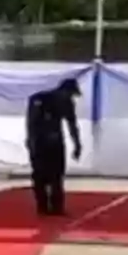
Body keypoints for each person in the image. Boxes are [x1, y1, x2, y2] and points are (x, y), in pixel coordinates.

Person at [26, 78, 83, 217]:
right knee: (40, 176)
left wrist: (77, 144)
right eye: (70, 94)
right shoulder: (40, 99)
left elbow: (72, 124)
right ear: (63, 90)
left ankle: (56, 207)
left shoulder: (66, 103)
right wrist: (32, 141)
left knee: (57, 175)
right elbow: (32, 122)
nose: (70, 97)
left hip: (55, 142)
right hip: (39, 142)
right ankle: (42, 206)